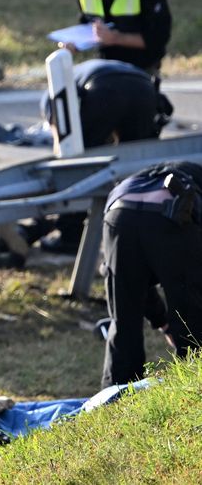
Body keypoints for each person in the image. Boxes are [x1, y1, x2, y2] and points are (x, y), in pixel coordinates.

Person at [14, 59, 171, 255]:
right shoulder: (85, 70)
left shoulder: (50, 93)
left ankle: (70, 236)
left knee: (81, 165)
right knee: (136, 167)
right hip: (144, 88)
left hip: (105, 88)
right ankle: (139, 231)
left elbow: (62, 143)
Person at [100, 161, 202, 388]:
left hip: (119, 213)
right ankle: (195, 394)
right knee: (191, 318)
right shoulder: (193, 180)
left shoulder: (150, 173)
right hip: (171, 215)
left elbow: (136, 282)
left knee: (124, 319)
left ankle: (115, 401)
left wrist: (163, 322)